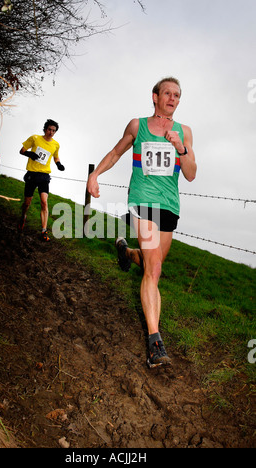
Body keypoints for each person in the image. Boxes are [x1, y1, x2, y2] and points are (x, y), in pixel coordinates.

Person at [87, 77, 197, 368]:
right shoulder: (138, 126)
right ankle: (155, 341)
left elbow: (191, 174)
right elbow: (115, 153)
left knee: (152, 263)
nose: (173, 99)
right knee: (155, 269)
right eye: (168, 93)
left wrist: (181, 149)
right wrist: (94, 175)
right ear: (155, 96)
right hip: (142, 202)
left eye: (177, 95)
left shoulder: (184, 132)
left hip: (169, 206)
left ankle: (126, 253)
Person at [18, 119, 65, 242]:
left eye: (53, 130)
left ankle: (44, 231)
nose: (51, 132)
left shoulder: (56, 144)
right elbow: (21, 151)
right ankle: (23, 216)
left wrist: (59, 164)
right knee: (27, 203)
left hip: (44, 176)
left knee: (44, 202)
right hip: (32, 174)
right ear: (45, 129)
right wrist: (30, 154)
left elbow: (55, 156)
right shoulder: (35, 138)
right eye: (49, 129)